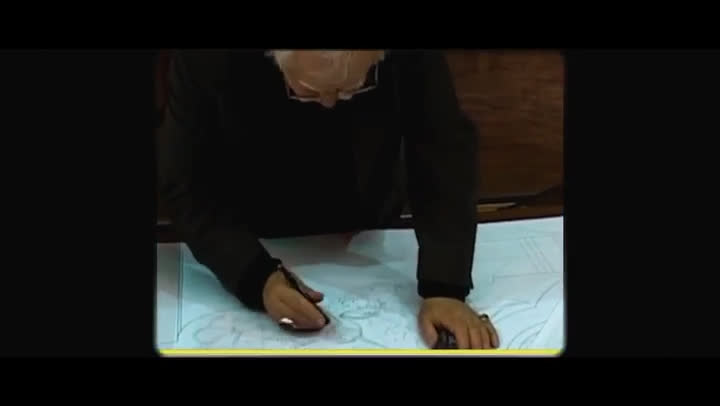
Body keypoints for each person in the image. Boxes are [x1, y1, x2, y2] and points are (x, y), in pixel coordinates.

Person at [157, 49, 500, 349]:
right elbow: (186, 182)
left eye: (354, 87)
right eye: (308, 91)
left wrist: (444, 285)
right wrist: (254, 276)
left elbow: (442, 146)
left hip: (367, 212)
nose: (330, 104)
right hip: (252, 217)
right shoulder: (208, 56)